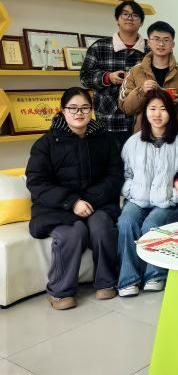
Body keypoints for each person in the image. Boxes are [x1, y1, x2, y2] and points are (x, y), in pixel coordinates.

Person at [26, 88, 124, 310]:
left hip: (95, 203)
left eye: (85, 108)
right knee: (73, 232)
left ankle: (106, 282)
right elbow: (37, 182)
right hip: (55, 208)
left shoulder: (105, 140)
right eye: (73, 108)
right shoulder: (45, 144)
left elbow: (115, 175)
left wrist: (89, 200)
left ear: (91, 110)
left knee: (101, 226)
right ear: (62, 111)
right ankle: (60, 291)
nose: (79, 113)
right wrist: (72, 202)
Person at [117, 90, 178, 297]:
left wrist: (172, 196)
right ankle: (128, 279)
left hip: (165, 201)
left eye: (163, 109)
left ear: (170, 113)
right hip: (137, 199)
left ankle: (155, 275)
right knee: (126, 222)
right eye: (152, 108)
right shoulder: (133, 142)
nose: (157, 114)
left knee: (151, 225)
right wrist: (131, 191)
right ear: (145, 112)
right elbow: (124, 174)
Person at [80, 0, 148, 148]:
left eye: (135, 15)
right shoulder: (99, 46)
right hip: (108, 120)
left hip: (143, 120)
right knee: (111, 160)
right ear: (117, 19)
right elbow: (85, 78)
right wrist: (108, 77)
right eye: (125, 14)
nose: (130, 18)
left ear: (141, 22)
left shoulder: (150, 49)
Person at [119, 21, 178, 138]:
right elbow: (125, 107)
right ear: (149, 43)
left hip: (177, 137)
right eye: (156, 39)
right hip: (144, 136)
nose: (161, 44)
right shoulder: (135, 72)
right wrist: (141, 91)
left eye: (166, 40)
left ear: (173, 44)